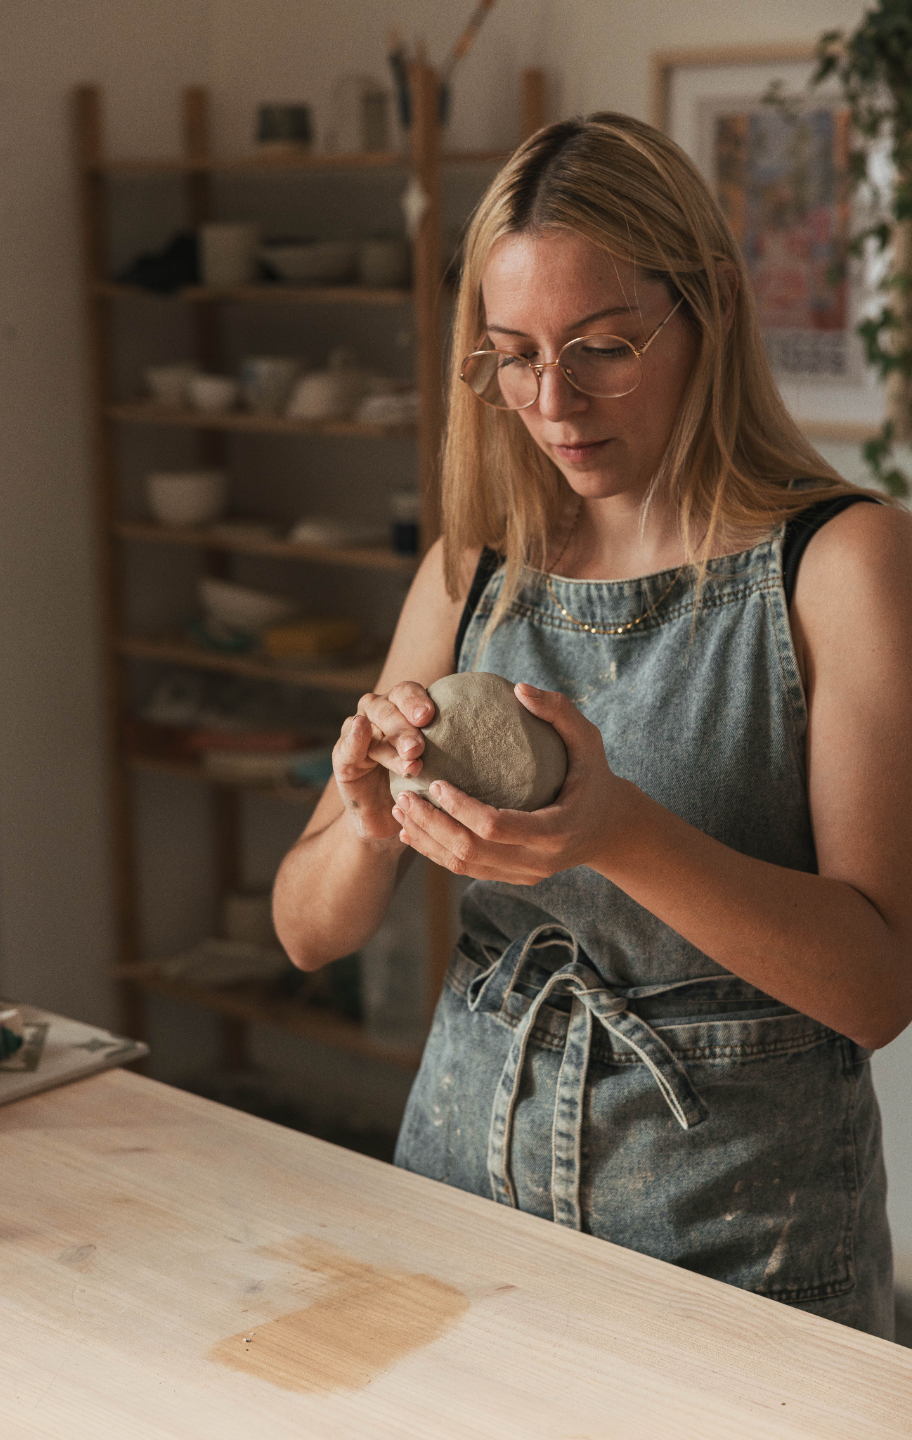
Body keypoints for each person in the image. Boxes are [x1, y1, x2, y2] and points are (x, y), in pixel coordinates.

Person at [273, 113, 912, 1338]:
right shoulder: (479, 566)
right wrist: (365, 828)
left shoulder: (839, 563)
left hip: (738, 1237)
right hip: (464, 1183)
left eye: (603, 348)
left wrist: (616, 832)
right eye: (511, 357)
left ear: (711, 308)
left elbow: (877, 986)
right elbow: (305, 933)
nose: (552, 403)